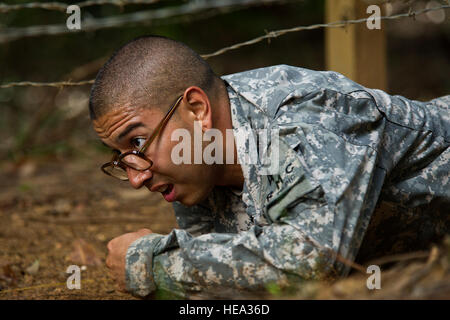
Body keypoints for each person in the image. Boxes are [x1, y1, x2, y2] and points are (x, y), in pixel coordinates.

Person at [89, 35, 449, 298]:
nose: (136, 178)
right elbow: (232, 289)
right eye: (121, 157)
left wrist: (154, 264)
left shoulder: (305, 116)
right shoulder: (199, 168)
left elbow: (314, 262)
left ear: (197, 110)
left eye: (137, 142)